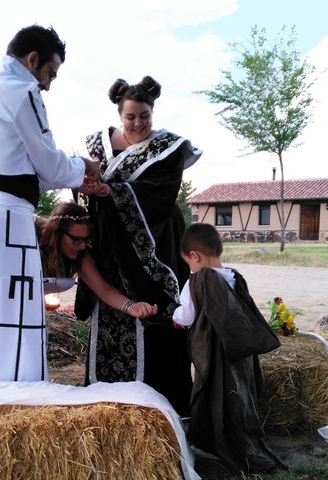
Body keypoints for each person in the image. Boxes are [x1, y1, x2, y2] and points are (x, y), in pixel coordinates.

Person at [0, 25, 100, 386]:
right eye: (50, 73)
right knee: (13, 323)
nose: (48, 84)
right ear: (32, 60)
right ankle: (14, 397)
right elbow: (48, 164)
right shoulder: (23, 89)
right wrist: (84, 167)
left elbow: (22, 169)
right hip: (5, 222)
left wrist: (73, 176)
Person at [75, 76, 201, 416]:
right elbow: (89, 179)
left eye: (144, 115)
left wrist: (112, 192)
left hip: (154, 240)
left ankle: (162, 403)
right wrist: (89, 188)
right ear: (120, 114)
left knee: (155, 310)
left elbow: (161, 194)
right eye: (131, 117)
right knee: (110, 305)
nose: (138, 123)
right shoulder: (100, 145)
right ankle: (107, 399)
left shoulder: (168, 148)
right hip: (108, 242)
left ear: (152, 112)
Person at [173, 223, 286, 474]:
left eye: (188, 262)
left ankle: (215, 440)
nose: (190, 268)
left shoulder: (196, 281)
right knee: (238, 393)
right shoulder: (234, 278)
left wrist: (175, 316)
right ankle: (241, 436)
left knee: (211, 392)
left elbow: (187, 315)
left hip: (213, 351)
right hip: (237, 352)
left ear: (194, 256)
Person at [39, 202, 158, 319]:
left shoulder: (81, 256)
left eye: (85, 240)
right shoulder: (32, 243)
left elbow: (103, 289)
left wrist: (131, 307)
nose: (82, 246)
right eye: (76, 240)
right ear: (57, 233)